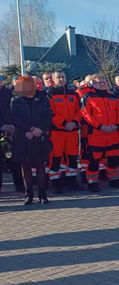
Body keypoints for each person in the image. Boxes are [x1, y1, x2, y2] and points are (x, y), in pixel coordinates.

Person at [10, 76, 53, 205]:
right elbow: (14, 118)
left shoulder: (42, 99)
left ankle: (42, 194)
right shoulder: (16, 100)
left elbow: (48, 116)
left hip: (39, 136)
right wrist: (27, 130)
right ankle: (28, 194)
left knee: (40, 166)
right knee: (26, 166)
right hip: (23, 137)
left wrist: (39, 129)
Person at [80, 74, 119, 192]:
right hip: (96, 133)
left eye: (105, 82)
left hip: (113, 132)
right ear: (93, 84)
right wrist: (100, 126)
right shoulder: (88, 97)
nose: (103, 84)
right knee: (94, 159)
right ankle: (92, 181)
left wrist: (116, 125)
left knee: (114, 158)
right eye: (100, 82)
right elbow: (85, 114)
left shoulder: (113, 97)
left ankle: (114, 179)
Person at [46, 70, 82, 192]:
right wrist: (64, 123)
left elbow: (79, 111)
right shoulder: (49, 94)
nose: (61, 79)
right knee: (55, 158)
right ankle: (55, 183)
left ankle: (71, 182)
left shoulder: (74, 94)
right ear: (53, 79)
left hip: (72, 132)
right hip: (57, 132)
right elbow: (50, 113)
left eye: (63, 77)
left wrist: (75, 122)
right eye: (58, 77)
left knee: (72, 158)